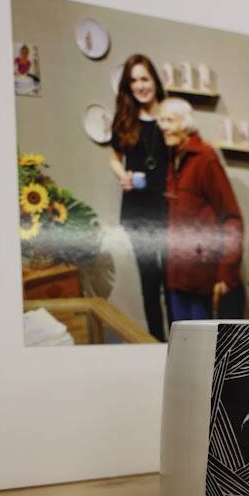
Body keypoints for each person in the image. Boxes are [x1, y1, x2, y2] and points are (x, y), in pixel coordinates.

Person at [157, 98, 244, 321]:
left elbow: (232, 219)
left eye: (170, 121)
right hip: (177, 274)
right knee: (182, 337)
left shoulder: (205, 158)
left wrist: (226, 274)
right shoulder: (172, 157)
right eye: (161, 121)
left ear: (185, 123)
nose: (163, 127)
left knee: (203, 339)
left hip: (203, 277)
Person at [109, 54, 171, 341]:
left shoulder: (170, 117)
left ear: (155, 81)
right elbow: (113, 157)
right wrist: (123, 175)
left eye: (144, 78)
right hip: (136, 211)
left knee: (169, 278)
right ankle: (157, 342)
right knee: (149, 280)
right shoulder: (125, 119)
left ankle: (179, 341)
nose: (140, 86)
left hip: (167, 208)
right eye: (133, 81)